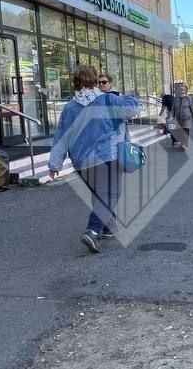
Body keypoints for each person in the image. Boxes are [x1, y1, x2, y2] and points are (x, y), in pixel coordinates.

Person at [48, 65, 140, 253]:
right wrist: (124, 95)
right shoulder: (108, 99)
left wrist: (54, 164)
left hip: (82, 163)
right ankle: (92, 230)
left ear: (75, 82)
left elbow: (61, 137)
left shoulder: (70, 108)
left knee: (101, 195)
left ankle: (107, 227)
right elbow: (133, 109)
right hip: (107, 157)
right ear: (95, 80)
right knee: (110, 194)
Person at [167, 82, 193, 151]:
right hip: (177, 118)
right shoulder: (176, 99)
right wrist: (171, 116)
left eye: (183, 89)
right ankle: (182, 143)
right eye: (180, 89)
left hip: (187, 118)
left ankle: (184, 144)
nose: (181, 91)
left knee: (186, 130)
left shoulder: (188, 98)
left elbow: (192, 108)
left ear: (186, 90)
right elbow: (173, 108)